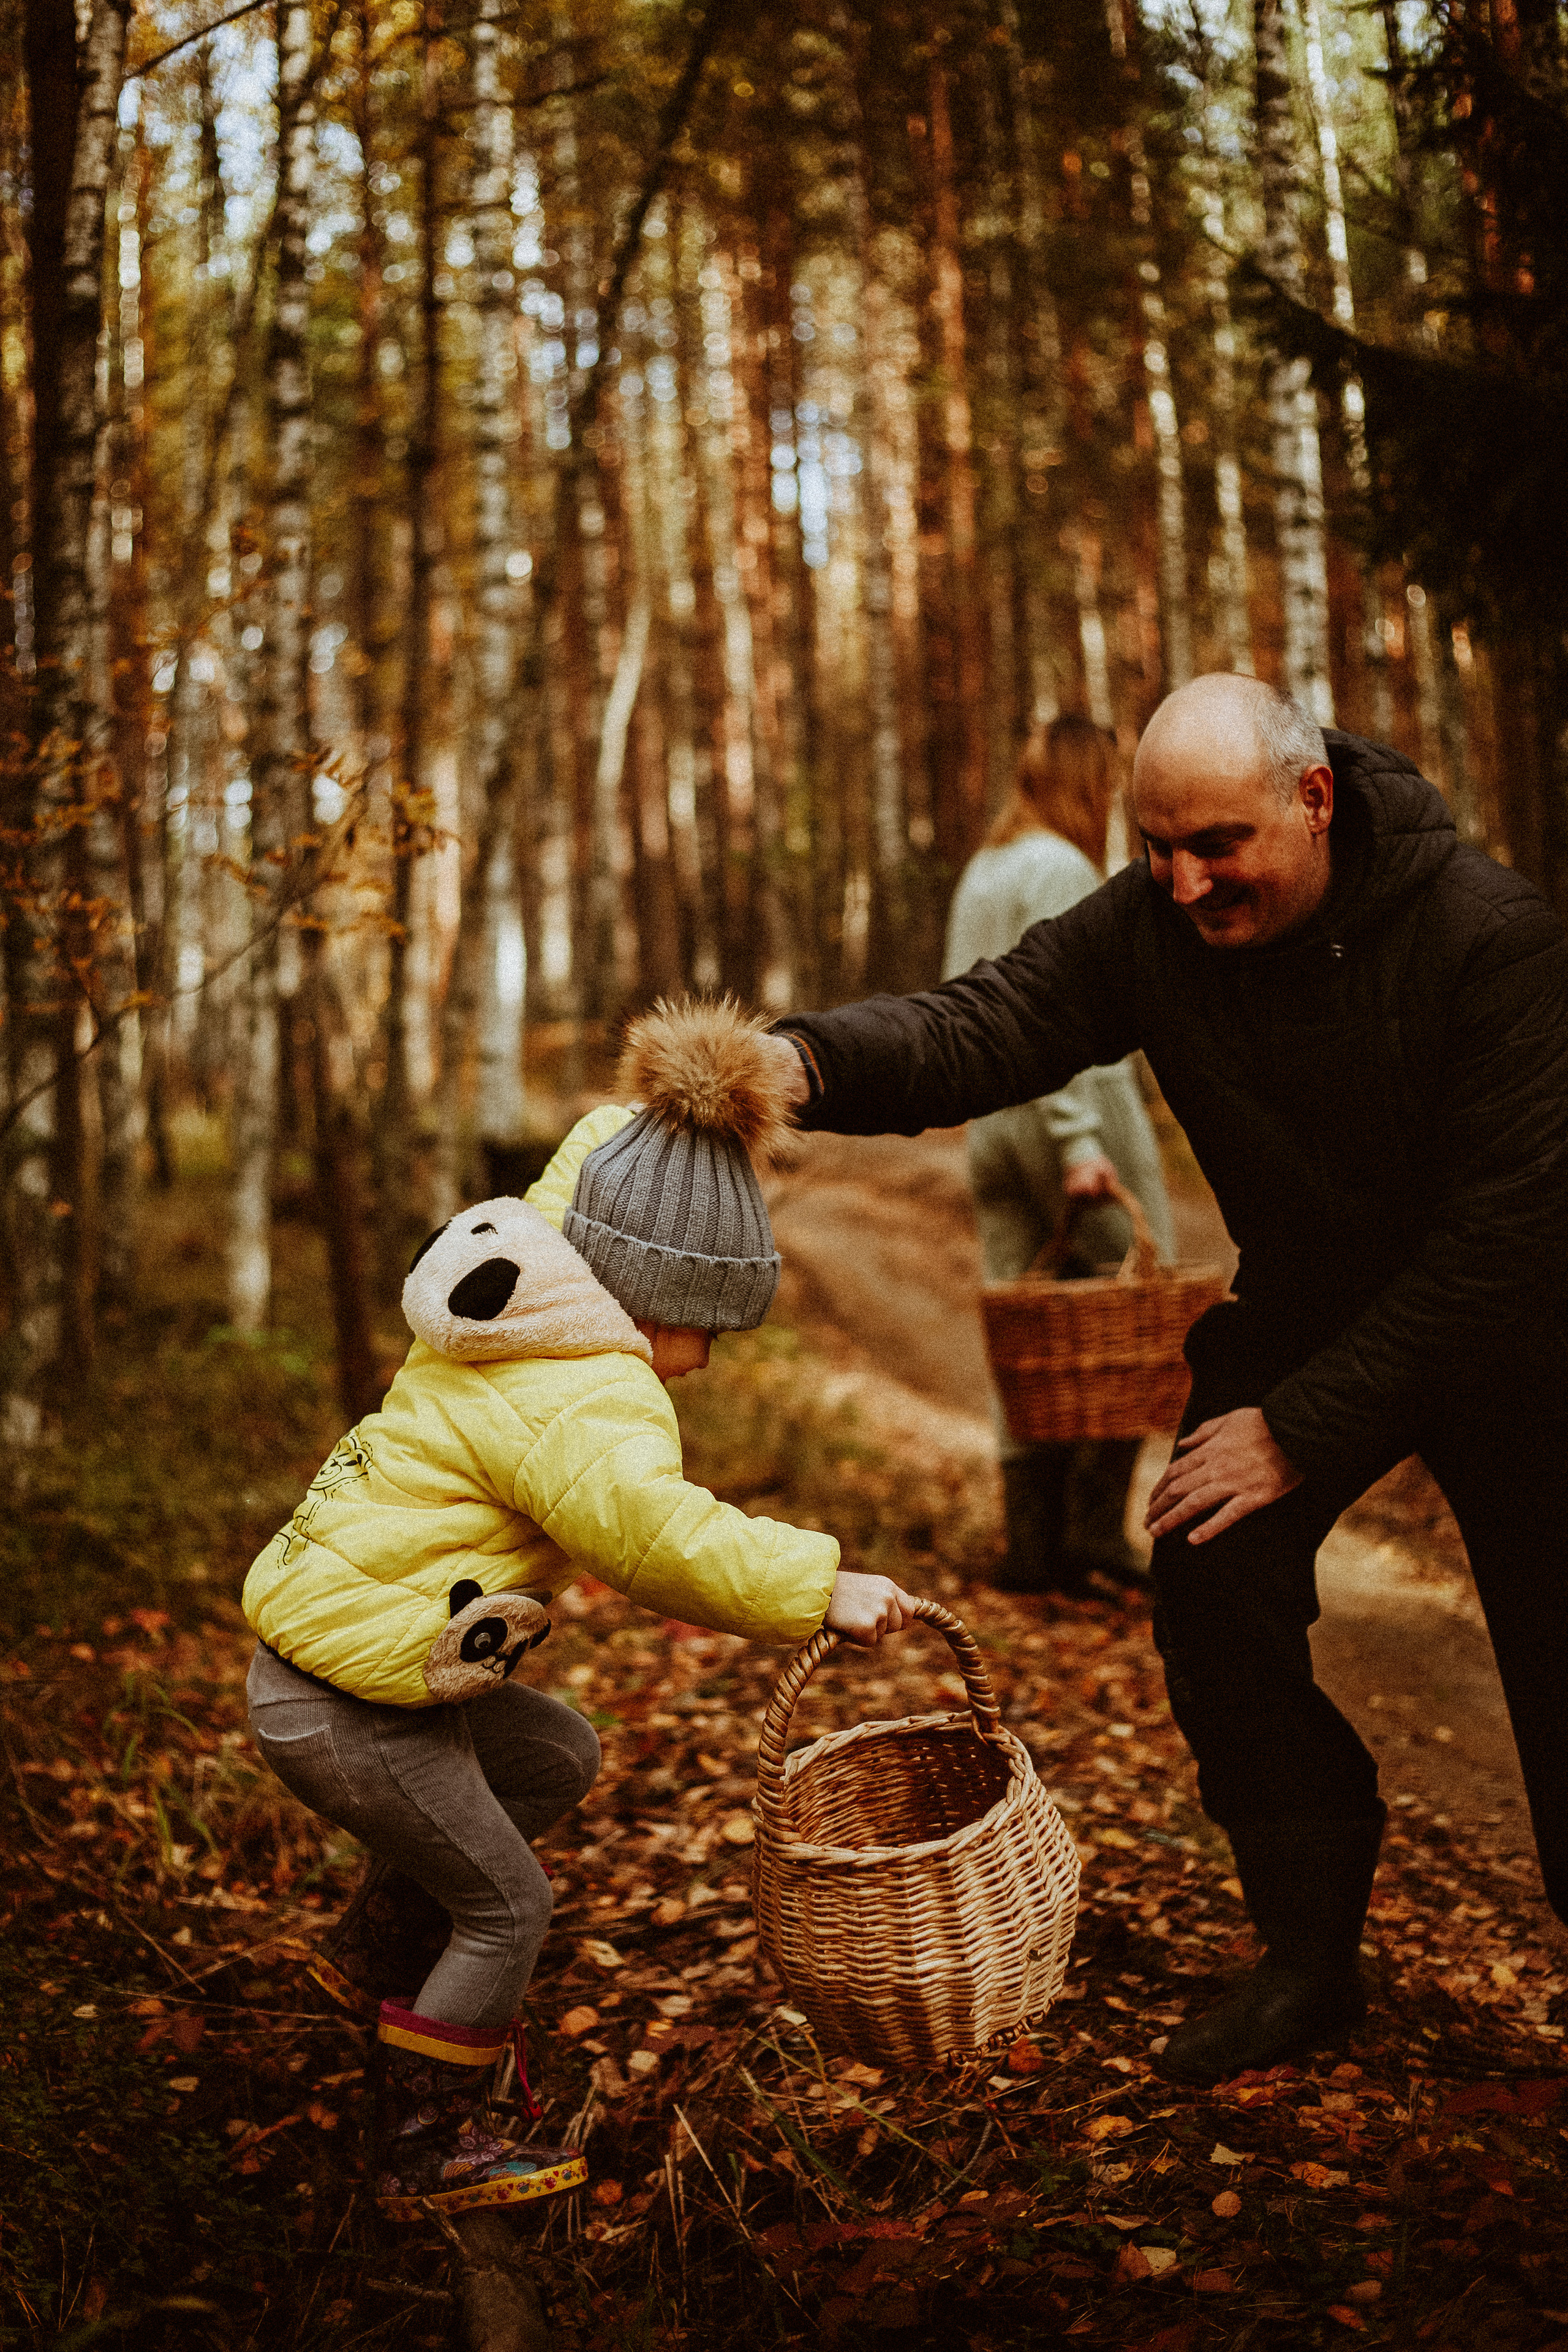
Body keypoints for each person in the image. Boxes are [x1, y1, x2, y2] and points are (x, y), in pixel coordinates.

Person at [758, 672, 1568, 2086]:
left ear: (1311, 803)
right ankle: (1309, 1959)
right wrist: (792, 1062)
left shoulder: (1487, 939)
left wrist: (1297, 1430)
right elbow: (979, 1027)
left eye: (1215, 847)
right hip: (1314, 1306)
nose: (1180, 883)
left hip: (1515, 1328)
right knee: (1208, 1574)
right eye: (1152, 847)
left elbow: (1501, 1246)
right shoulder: (1150, 931)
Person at [242, 1000, 916, 2216]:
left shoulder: (529, 1288)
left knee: (553, 1753)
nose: (704, 1361)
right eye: (700, 1327)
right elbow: (656, 1539)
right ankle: (424, 2148)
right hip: (345, 1704)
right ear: (644, 1286)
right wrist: (819, 1583)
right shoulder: (578, 1388)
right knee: (510, 1909)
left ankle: (382, 1957)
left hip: (342, 1665)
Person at [942, 714, 1176, 1595]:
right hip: (1067, 1116)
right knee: (1139, 1311)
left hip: (995, 1125)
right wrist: (1080, 1143)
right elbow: (1057, 1014)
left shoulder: (988, 868)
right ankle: (1095, 1535)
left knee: (1024, 1323)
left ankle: (1034, 1549)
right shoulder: (1059, 868)